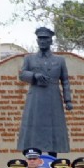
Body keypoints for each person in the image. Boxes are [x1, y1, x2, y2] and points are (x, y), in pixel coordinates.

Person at [17, 27, 73, 155]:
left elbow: (65, 80)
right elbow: (22, 75)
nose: (42, 41)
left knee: (54, 129)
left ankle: (53, 156)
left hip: (53, 96)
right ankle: (32, 155)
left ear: (51, 41)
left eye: (45, 39)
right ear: (37, 40)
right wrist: (34, 76)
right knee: (33, 128)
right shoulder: (29, 59)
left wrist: (68, 100)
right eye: (40, 38)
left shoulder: (59, 60)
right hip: (36, 96)